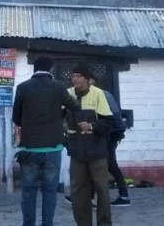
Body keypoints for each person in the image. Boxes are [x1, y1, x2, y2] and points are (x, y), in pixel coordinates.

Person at [13, 59, 79, 226]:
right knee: (50, 191)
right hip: (53, 148)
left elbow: (16, 118)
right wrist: (60, 112)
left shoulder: (22, 87)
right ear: (50, 68)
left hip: (29, 149)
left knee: (29, 191)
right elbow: (74, 106)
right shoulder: (58, 87)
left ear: (34, 69)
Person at [66, 65, 113, 226]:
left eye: (78, 76)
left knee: (102, 189)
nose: (75, 79)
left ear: (87, 79)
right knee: (78, 191)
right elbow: (60, 118)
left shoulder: (98, 94)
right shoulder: (68, 94)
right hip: (76, 150)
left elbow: (108, 123)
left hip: (97, 150)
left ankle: (104, 223)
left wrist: (92, 126)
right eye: (73, 76)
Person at [88, 77, 129, 207]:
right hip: (110, 133)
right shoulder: (103, 94)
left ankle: (123, 195)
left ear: (92, 81)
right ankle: (89, 196)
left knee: (109, 164)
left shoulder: (101, 95)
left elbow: (110, 117)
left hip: (109, 134)